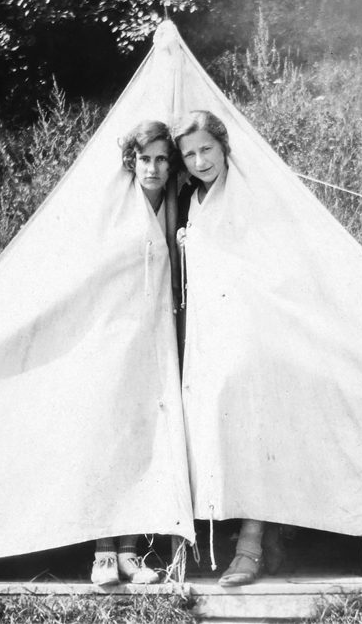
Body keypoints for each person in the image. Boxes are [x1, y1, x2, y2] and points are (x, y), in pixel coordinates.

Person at [173, 110, 285, 586]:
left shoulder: (249, 193)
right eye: (190, 154)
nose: (200, 161)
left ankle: (251, 545)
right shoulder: (187, 197)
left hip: (249, 328)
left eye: (207, 150)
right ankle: (211, 543)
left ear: (224, 148)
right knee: (208, 427)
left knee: (250, 424)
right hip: (204, 332)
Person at [89, 119, 182, 586]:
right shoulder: (118, 200)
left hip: (153, 332)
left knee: (145, 432)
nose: (153, 167)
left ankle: (130, 553)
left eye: (162, 159)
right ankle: (103, 551)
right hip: (113, 329)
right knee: (111, 430)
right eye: (145, 159)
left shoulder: (170, 201)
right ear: (132, 162)